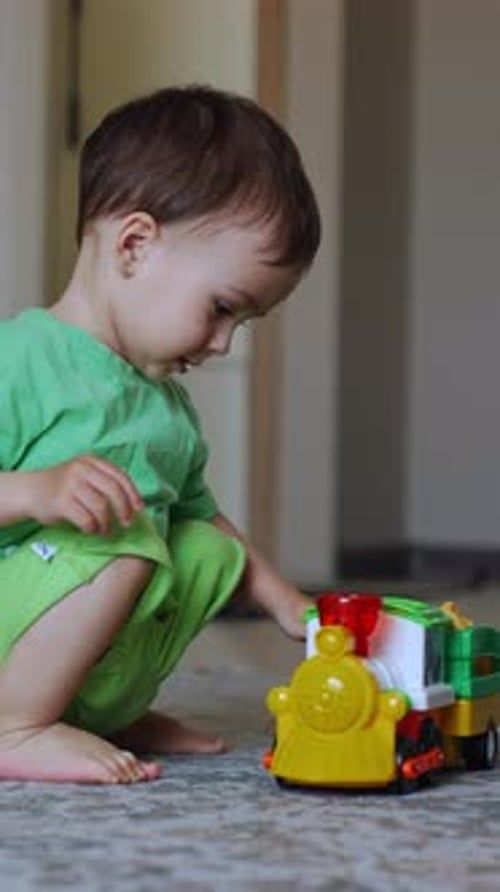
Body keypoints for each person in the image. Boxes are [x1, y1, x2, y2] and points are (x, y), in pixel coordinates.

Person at [0, 85, 321, 784]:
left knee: (200, 547)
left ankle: (98, 710)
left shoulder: (167, 410)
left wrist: (281, 598)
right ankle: (15, 725)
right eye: (221, 308)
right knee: (131, 538)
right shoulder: (21, 359)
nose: (223, 343)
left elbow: (205, 516)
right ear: (135, 245)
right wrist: (32, 492)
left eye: (243, 323)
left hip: (73, 612)